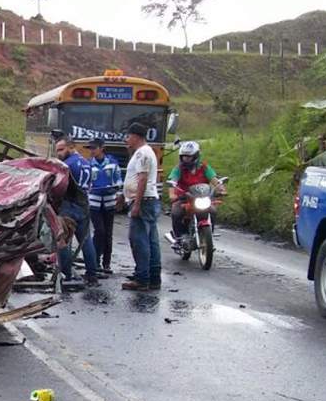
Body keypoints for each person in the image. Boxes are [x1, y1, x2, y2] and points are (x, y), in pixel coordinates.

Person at [120, 122, 162, 291]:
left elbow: (142, 179)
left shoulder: (142, 154)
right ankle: (153, 277)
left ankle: (142, 278)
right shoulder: (144, 152)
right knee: (151, 240)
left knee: (139, 241)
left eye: (128, 136)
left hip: (144, 201)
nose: (126, 139)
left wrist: (136, 203)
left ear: (136, 136)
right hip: (148, 201)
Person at [55, 137, 99, 285]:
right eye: (57, 151)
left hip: (69, 204)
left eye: (61, 150)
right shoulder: (87, 162)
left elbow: (59, 186)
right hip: (84, 204)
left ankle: (66, 274)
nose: (58, 153)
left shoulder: (66, 165)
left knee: (63, 240)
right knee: (86, 240)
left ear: (70, 147)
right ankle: (92, 273)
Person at [167, 140, 225, 239]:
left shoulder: (204, 167)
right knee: (176, 213)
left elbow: (214, 179)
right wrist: (172, 194)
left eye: (189, 157)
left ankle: (209, 233)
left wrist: (220, 188)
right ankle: (179, 237)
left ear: (196, 156)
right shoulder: (178, 169)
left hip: (202, 197)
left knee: (213, 211)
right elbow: (172, 182)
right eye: (184, 156)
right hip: (184, 198)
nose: (186, 159)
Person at [86, 138, 122, 275]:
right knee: (99, 230)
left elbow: (118, 180)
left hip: (109, 202)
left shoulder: (112, 163)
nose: (92, 151)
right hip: (94, 202)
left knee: (108, 233)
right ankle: (95, 260)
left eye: (94, 148)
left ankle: (106, 263)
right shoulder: (89, 164)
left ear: (102, 148)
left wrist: (117, 193)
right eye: (90, 148)